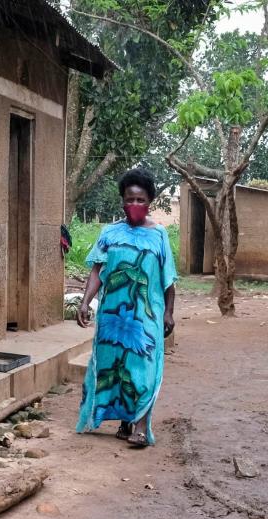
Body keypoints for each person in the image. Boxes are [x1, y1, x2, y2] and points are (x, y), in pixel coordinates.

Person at [75, 168, 176, 447]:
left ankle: (141, 427)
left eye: (140, 200)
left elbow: (168, 278)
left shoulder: (159, 236)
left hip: (147, 314)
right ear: (122, 201)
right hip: (112, 315)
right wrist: (85, 302)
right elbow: (97, 270)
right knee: (116, 367)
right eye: (129, 199)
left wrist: (168, 312)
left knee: (143, 367)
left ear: (150, 202)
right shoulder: (109, 233)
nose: (134, 205)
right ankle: (125, 422)